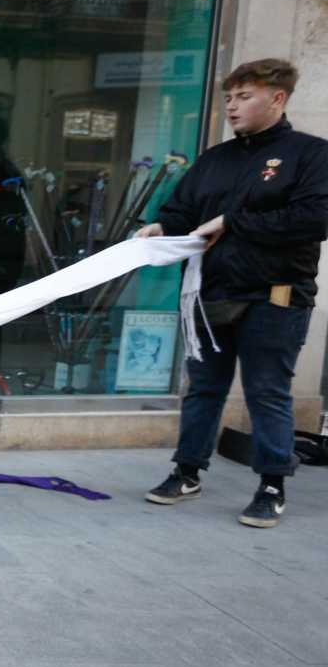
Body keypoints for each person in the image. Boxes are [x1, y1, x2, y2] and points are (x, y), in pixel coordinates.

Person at [138, 58, 328, 527]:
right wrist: (162, 227)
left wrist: (233, 221)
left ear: (277, 98)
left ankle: (271, 486)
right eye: (228, 98)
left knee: (267, 391)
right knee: (203, 388)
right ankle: (186, 472)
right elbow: (182, 211)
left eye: (244, 96)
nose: (231, 106)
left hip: (276, 294)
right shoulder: (214, 159)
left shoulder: (311, 154)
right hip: (210, 291)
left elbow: (314, 219)